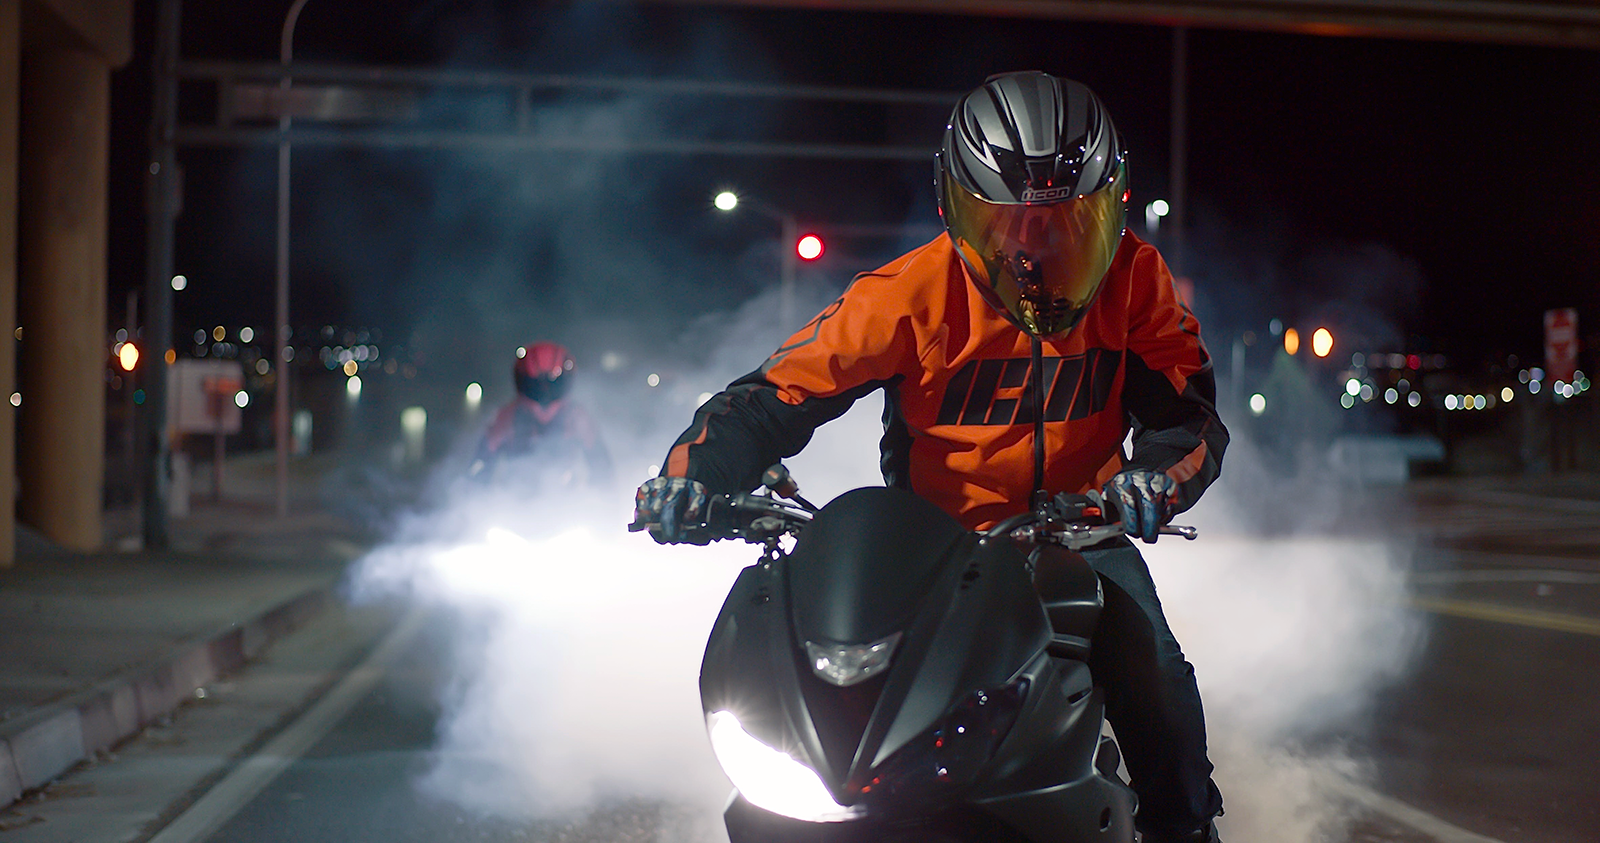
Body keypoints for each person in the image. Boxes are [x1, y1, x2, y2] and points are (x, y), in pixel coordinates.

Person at [633, 71, 1226, 843]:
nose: (1036, 243)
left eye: (1065, 220)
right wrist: (688, 480)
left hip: (1083, 533)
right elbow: (770, 399)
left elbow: (1190, 419)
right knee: (832, 715)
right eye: (1012, 220)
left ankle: (1185, 833)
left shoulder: (1136, 280)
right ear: (959, 207)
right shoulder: (906, 294)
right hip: (934, 554)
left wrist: (1153, 482)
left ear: (1107, 209)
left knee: (1163, 695)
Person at [471, 341, 613, 490]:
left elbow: (602, 469)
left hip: (568, 501)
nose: (544, 396)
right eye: (536, 386)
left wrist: (598, 503)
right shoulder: (507, 418)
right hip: (517, 500)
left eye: (552, 385)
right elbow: (479, 470)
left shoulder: (577, 418)